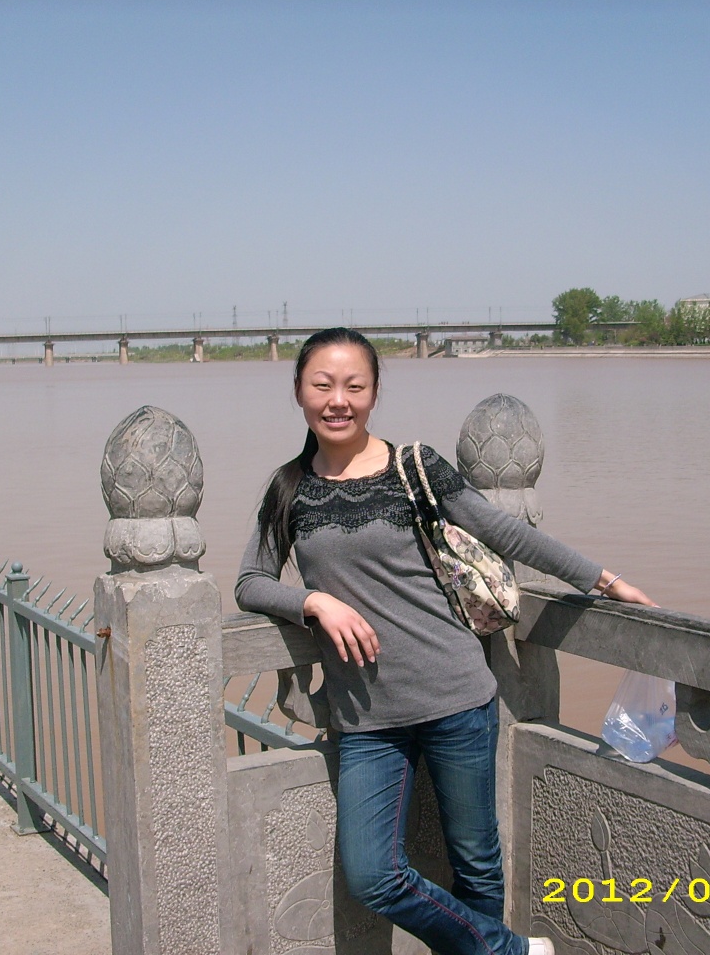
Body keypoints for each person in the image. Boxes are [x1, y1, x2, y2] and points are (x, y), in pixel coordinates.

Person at [236, 327, 656, 955]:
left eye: (354, 386)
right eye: (322, 385)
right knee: (373, 875)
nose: (338, 400)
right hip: (366, 721)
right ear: (298, 391)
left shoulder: (416, 468)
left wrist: (606, 580)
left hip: (456, 697)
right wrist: (314, 602)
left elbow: (506, 533)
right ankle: (513, 952)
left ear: (374, 392)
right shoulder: (289, 488)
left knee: (476, 863)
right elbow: (250, 582)